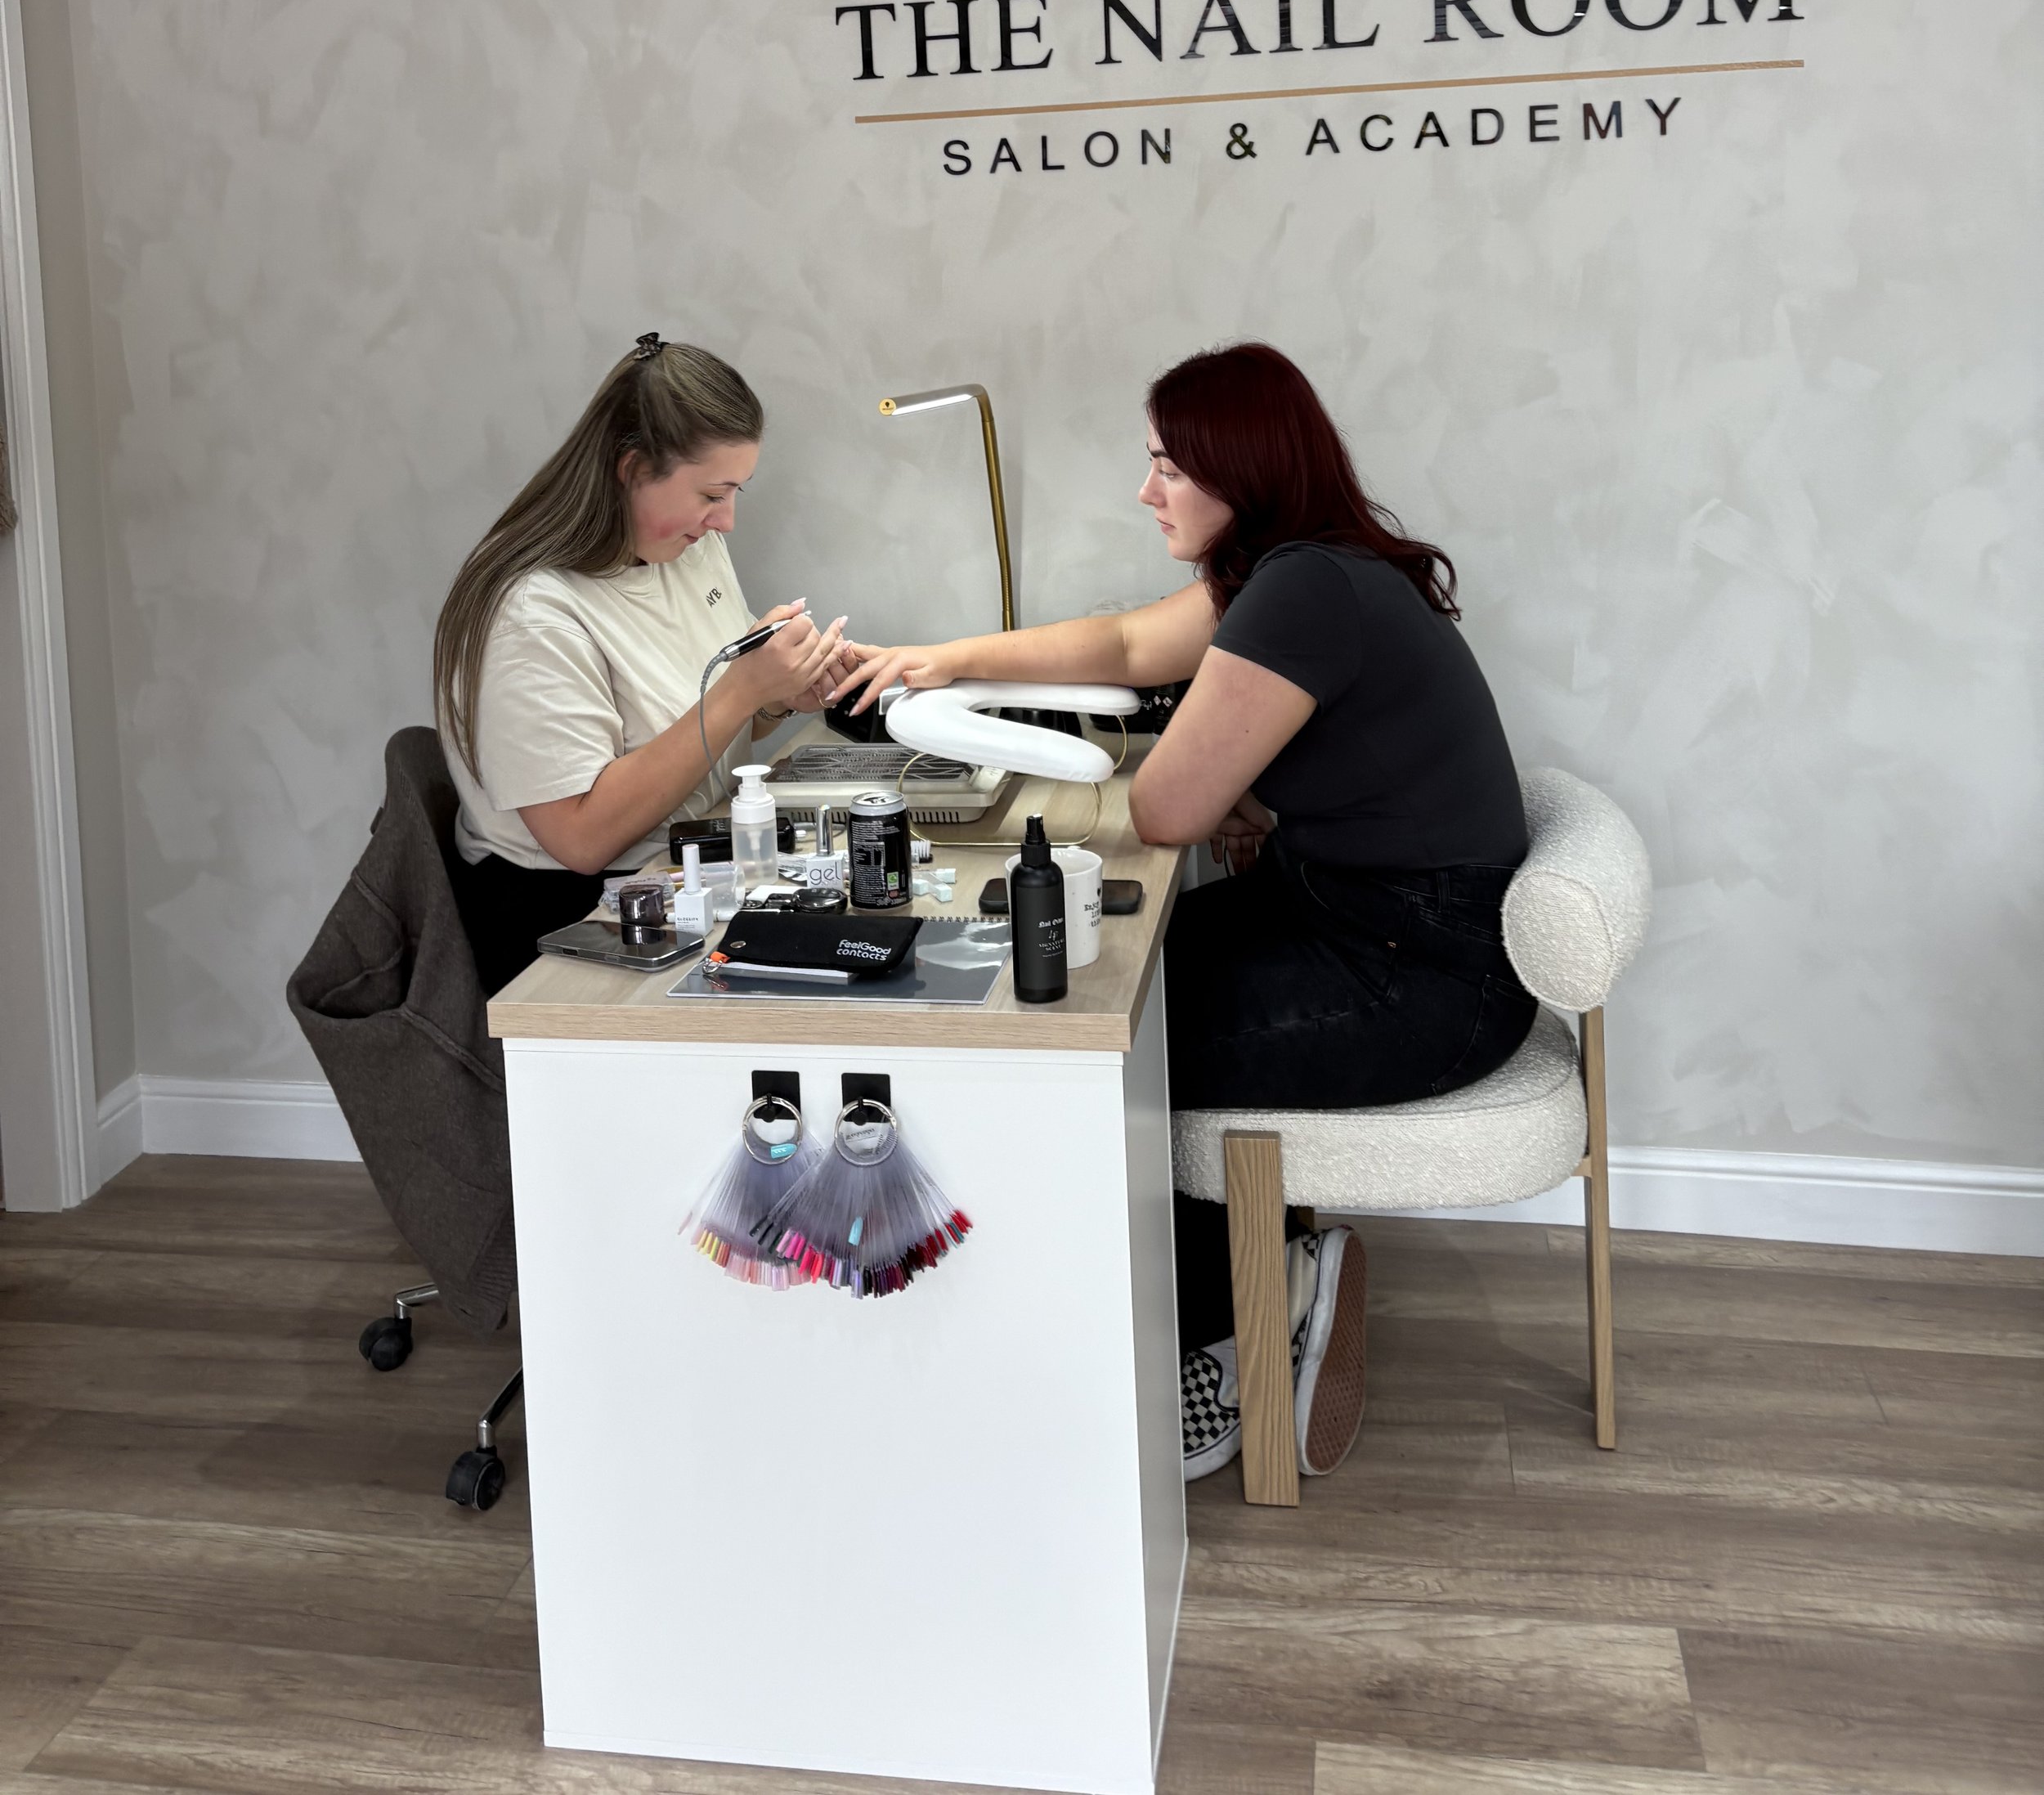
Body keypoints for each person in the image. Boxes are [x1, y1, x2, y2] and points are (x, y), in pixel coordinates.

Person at [838, 341, 1530, 1486]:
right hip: (1381, 928)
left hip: (1416, 979)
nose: (1144, 491)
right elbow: (1118, 645)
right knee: (1129, 972)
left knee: (1120, 1039)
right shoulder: (1303, 570)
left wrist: (1221, 770)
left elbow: (1162, 808)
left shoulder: (1301, 589)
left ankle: (1220, 1337)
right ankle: (1264, 1270)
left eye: (1166, 467)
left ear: (1239, 471)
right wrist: (942, 659)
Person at [433, 333, 851, 997]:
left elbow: (700, 731)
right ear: (630, 469)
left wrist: (776, 692)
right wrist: (741, 689)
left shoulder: (684, 547)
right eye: (713, 493)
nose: (728, 520)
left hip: (688, 868)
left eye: (737, 489)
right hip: (576, 922)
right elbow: (580, 837)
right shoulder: (532, 611)